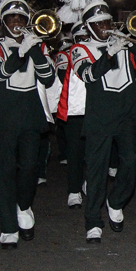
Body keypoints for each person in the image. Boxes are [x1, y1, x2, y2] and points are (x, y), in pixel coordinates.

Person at [54, 0, 136, 244]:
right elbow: (88, 75)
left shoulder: (123, 43)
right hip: (99, 117)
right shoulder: (79, 49)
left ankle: (116, 201)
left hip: (126, 114)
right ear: (89, 27)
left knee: (131, 161)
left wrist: (132, 43)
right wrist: (108, 54)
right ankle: (93, 221)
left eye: (107, 22)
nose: (105, 27)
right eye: (99, 24)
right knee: (96, 170)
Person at [0, 0, 55, 249]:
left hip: (31, 114)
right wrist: (20, 52)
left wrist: (33, 50)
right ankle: (8, 226)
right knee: (5, 171)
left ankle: (24, 206)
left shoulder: (37, 45)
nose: (17, 22)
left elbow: (48, 78)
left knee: (30, 167)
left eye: (21, 18)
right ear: (4, 22)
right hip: (3, 116)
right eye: (11, 18)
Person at [54, 12, 90, 209]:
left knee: (94, 153)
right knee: (75, 153)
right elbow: (62, 76)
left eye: (87, 37)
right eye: (80, 38)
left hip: (95, 110)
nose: (84, 40)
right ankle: (74, 190)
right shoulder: (69, 54)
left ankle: (89, 182)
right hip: (74, 111)